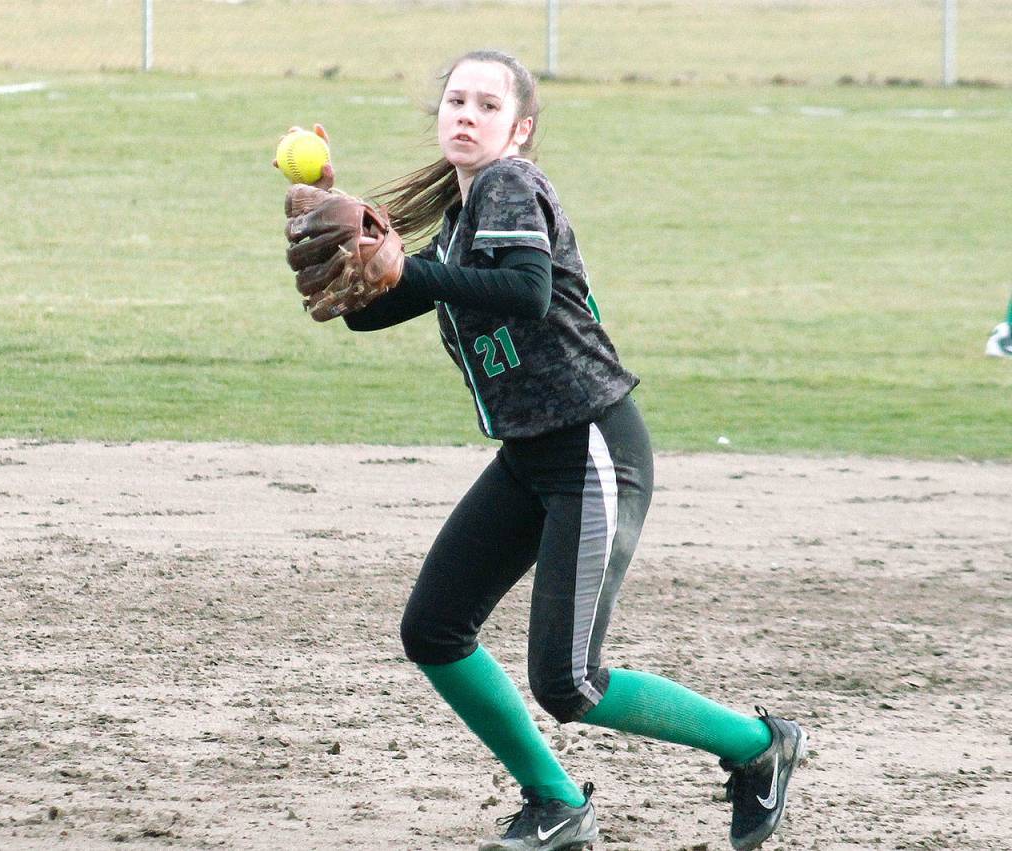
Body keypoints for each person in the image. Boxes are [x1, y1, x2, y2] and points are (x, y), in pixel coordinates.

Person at [286, 50, 807, 851]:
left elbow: (525, 290)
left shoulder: (509, 185)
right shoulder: (461, 218)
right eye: (456, 99)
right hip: (532, 458)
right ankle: (557, 802)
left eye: (486, 105)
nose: (465, 113)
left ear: (519, 130)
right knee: (435, 629)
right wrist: (352, 247)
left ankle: (757, 746)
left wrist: (411, 271)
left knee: (569, 682)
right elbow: (369, 316)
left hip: (594, 446)